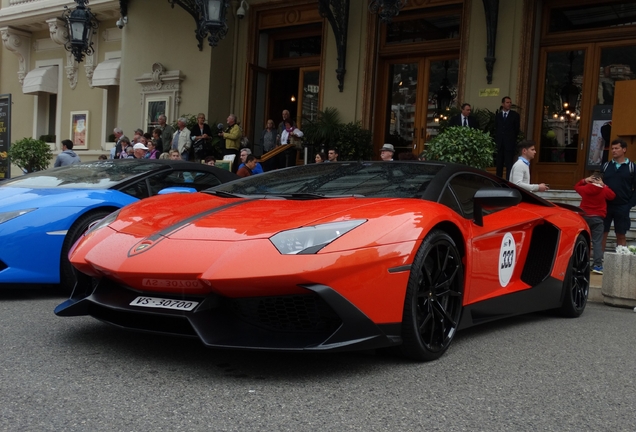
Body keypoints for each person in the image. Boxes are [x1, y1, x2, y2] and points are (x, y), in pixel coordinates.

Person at [575, 173, 615, 274]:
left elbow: (576, 187)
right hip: (598, 218)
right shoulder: (604, 190)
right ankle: (597, 265)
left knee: (583, 240)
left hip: (584, 217)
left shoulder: (585, 189)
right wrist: (604, 185)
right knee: (597, 242)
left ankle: (581, 263)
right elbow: (612, 196)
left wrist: (585, 180)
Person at [602, 139, 636, 253]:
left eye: (617, 148)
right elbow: (597, 183)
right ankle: (598, 262)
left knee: (621, 234)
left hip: (622, 206)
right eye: (612, 148)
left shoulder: (632, 167)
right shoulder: (606, 166)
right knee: (602, 233)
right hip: (605, 205)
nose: (613, 151)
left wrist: (629, 204)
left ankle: (621, 260)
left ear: (624, 150)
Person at [495, 96, 521, 180]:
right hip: (500, 144)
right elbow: (497, 128)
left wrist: (512, 140)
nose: (509, 104)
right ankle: (498, 182)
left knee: (509, 165)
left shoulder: (515, 115)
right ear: (503, 104)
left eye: (510, 102)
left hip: (509, 144)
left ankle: (508, 182)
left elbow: (516, 130)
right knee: (499, 165)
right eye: (507, 102)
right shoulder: (498, 116)